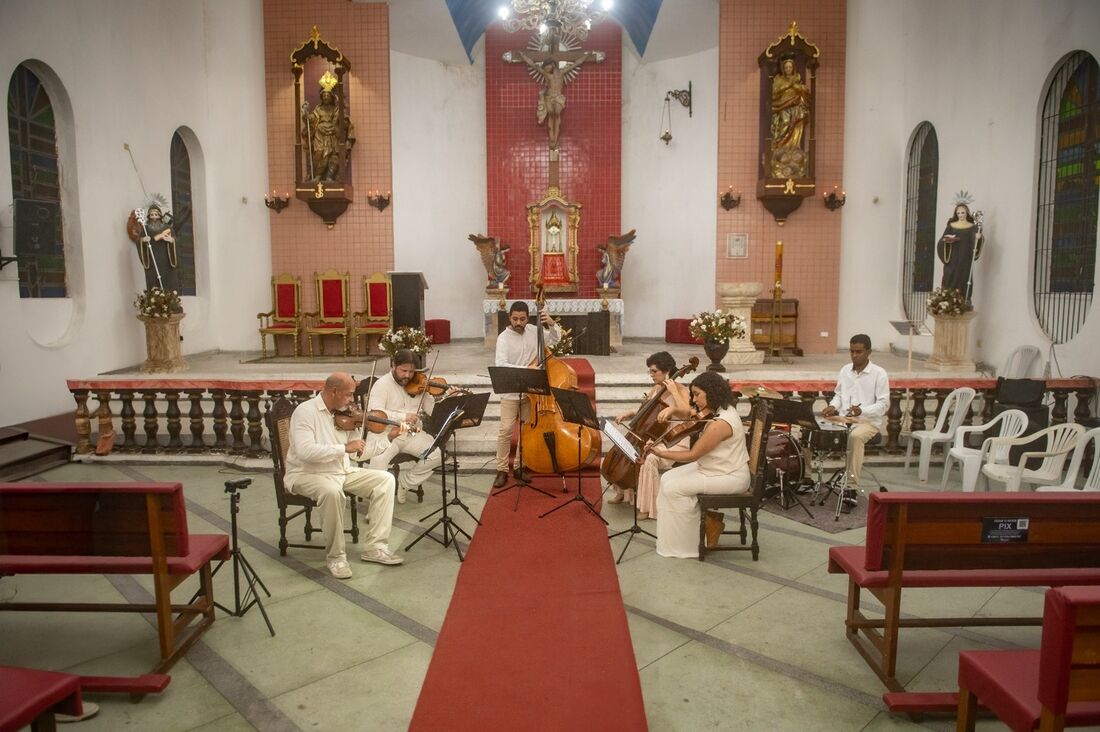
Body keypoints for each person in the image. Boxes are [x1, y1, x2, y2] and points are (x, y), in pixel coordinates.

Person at [284, 372, 403, 579]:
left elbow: (359, 454)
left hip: (341, 471)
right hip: (306, 473)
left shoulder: (346, 415)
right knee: (332, 492)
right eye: (348, 395)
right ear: (333, 391)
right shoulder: (305, 412)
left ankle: (375, 547)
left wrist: (388, 438)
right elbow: (305, 452)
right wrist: (344, 448)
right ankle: (336, 557)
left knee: (385, 480)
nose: (352, 400)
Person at [653, 371, 750, 559]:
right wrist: (674, 410)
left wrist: (661, 452)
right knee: (666, 478)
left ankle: (690, 543)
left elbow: (693, 454)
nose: (694, 400)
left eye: (697, 394)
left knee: (673, 488)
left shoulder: (720, 423)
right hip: (718, 467)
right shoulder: (721, 409)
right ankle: (685, 534)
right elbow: (691, 414)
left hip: (730, 476)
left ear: (711, 392)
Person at [610, 351, 690, 519]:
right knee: (628, 450)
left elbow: (686, 412)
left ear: (667, 370)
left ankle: (648, 507)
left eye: (654, 371)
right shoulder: (656, 389)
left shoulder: (681, 389)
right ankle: (623, 492)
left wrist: (674, 396)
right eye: (650, 371)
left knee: (649, 459)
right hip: (655, 436)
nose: (651, 375)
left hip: (674, 440)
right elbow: (646, 410)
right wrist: (629, 413)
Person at [492, 300, 561, 488]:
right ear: (509, 318)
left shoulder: (534, 331)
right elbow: (501, 364)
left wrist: (551, 323)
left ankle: (519, 466)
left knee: (526, 431)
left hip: (531, 393)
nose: (518, 322)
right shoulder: (503, 338)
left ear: (527, 318)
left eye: (522, 319)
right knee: (506, 430)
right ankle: (501, 470)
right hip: (510, 392)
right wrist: (527, 369)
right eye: (515, 319)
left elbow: (555, 340)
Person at [366, 349, 444, 504]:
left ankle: (405, 483)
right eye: (404, 371)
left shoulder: (420, 383)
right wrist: (403, 417)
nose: (408, 375)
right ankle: (376, 503)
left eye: (412, 371)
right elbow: (375, 414)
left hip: (411, 432)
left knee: (436, 455)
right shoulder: (381, 385)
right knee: (378, 461)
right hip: (387, 433)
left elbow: (433, 411)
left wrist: (447, 398)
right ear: (393, 366)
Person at [821, 334, 889, 487]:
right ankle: (806, 477)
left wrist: (861, 411)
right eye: (852, 351)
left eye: (859, 352)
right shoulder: (845, 370)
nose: (854, 355)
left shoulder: (879, 373)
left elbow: (883, 405)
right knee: (810, 429)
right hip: (844, 420)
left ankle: (851, 485)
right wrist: (833, 406)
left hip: (868, 423)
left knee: (855, 436)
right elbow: (839, 395)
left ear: (869, 352)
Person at [519, 52, 592, 150]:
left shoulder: (562, 72)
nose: (546, 69)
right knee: (551, 116)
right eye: (545, 68)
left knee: (556, 115)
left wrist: (586, 56)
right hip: (549, 97)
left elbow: (576, 64)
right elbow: (534, 65)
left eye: (547, 67)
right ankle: (552, 140)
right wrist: (523, 56)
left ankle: (555, 138)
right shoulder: (546, 74)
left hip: (558, 98)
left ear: (552, 65)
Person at [770, 57, 811, 178]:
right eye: (786, 67)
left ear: (793, 68)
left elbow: (805, 91)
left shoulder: (797, 78)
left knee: (796, 125)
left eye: (790, 67)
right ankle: (780, 146)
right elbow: (775, 92)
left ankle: (792, 148)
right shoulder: (779, 79)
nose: (788, 69)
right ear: (783, 69)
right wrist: (789, 85)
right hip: (782, 106)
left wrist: (798, 87)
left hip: (796, 107)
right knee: (785, 123)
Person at [936, 203, 984, 298]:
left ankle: (963, 300)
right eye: (958, 213)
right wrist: (947, 240)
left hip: (964, 258)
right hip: (952, 259)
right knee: (950, 276)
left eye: (962, 213)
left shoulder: (972, 227)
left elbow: (974, 242)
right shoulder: (951, 226)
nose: (961, 215)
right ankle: (948, 300)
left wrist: (978, 238)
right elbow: (941, 241)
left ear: (967, 213)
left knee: (963, 278)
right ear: (956, 214)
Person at [305, 87, 351, 181]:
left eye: (328, 96)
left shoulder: (336, 109)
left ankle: (330, 176)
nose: (326, 97)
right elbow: (311, 119)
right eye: (324, 96)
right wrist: (305, 113)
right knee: (319, 153)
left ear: (331, 97)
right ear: (321, 97)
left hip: (332, 134)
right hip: (319, 135)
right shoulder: (318, 109)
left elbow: (343, 120)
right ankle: (318, 175)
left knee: (333, 154)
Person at [136, 204, 181, 296]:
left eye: (156, 215)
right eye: (152, 215)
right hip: (152, 261)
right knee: (154, 282)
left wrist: (171, 240)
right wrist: (143, 240)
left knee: (168, 282)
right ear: (149, 216)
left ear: (160, 216)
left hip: (166, 260)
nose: (154, 217)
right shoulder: (146, 229)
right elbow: (138, 241)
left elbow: (175, 240)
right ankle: (154, 300)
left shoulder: (167, 228)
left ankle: (170, 299)